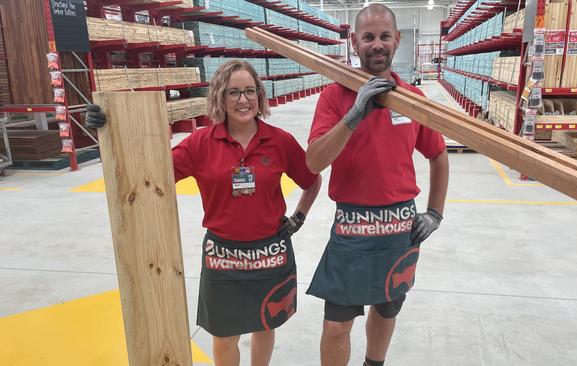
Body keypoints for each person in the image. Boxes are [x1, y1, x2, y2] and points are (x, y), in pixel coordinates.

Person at [86, 59, 322, 366]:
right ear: (220, 98)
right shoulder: (200, 144)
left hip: (271, 253)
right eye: (233, 92)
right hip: (222, 256)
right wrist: (108, 132)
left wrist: (298, 218)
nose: (243, 100)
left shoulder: (279, 141)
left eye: (250, 91)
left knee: (265, 324)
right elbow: (146, 172)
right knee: (224, 335)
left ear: (260, 96)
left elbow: (311, 179)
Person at [304, 4, 449, 366]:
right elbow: (314, 161)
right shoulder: (335, 97)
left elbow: (438, 155)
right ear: (354, 42)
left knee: (386, 311)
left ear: (397, 40)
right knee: (337, 324)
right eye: (368, 37)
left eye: (385, 36)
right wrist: (354, 114)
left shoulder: (413, 101)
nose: (377, 44)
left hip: (400, 228)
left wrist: (435, 212)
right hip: (352, 228)